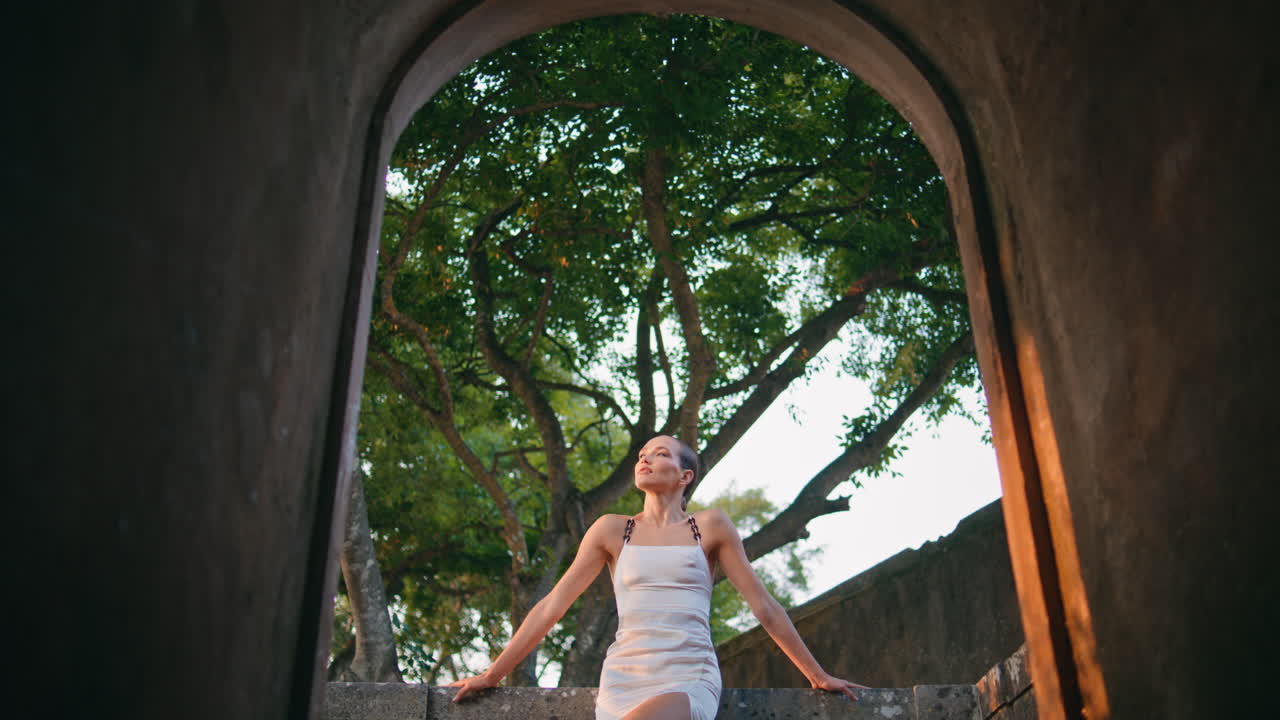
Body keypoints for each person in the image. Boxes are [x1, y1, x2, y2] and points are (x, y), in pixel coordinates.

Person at [449, 434, 866, 719]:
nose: (644, 458)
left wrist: (817, 675)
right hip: (624, 678)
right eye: (642, 454)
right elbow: (552, 605)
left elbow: (763, 606)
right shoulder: (612, 530)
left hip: (688, 674)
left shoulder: (711, 526)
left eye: (661, 454)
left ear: (685, 477)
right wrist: (492, 675)